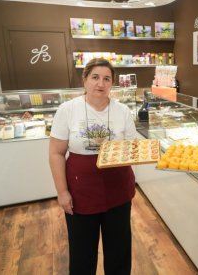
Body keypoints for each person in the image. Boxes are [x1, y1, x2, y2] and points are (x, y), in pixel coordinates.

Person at [49, 58, 137, 275]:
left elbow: (133, 147)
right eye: (95, 77)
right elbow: (56, 153)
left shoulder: (122, 111)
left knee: (119, 251)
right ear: (85, 80)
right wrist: (62, 192)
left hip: (118, 188)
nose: (101, 83)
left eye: (107, 79)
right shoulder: (68, 110)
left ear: (112, 83)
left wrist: (138, 152)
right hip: (81, 190)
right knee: (82, 253)